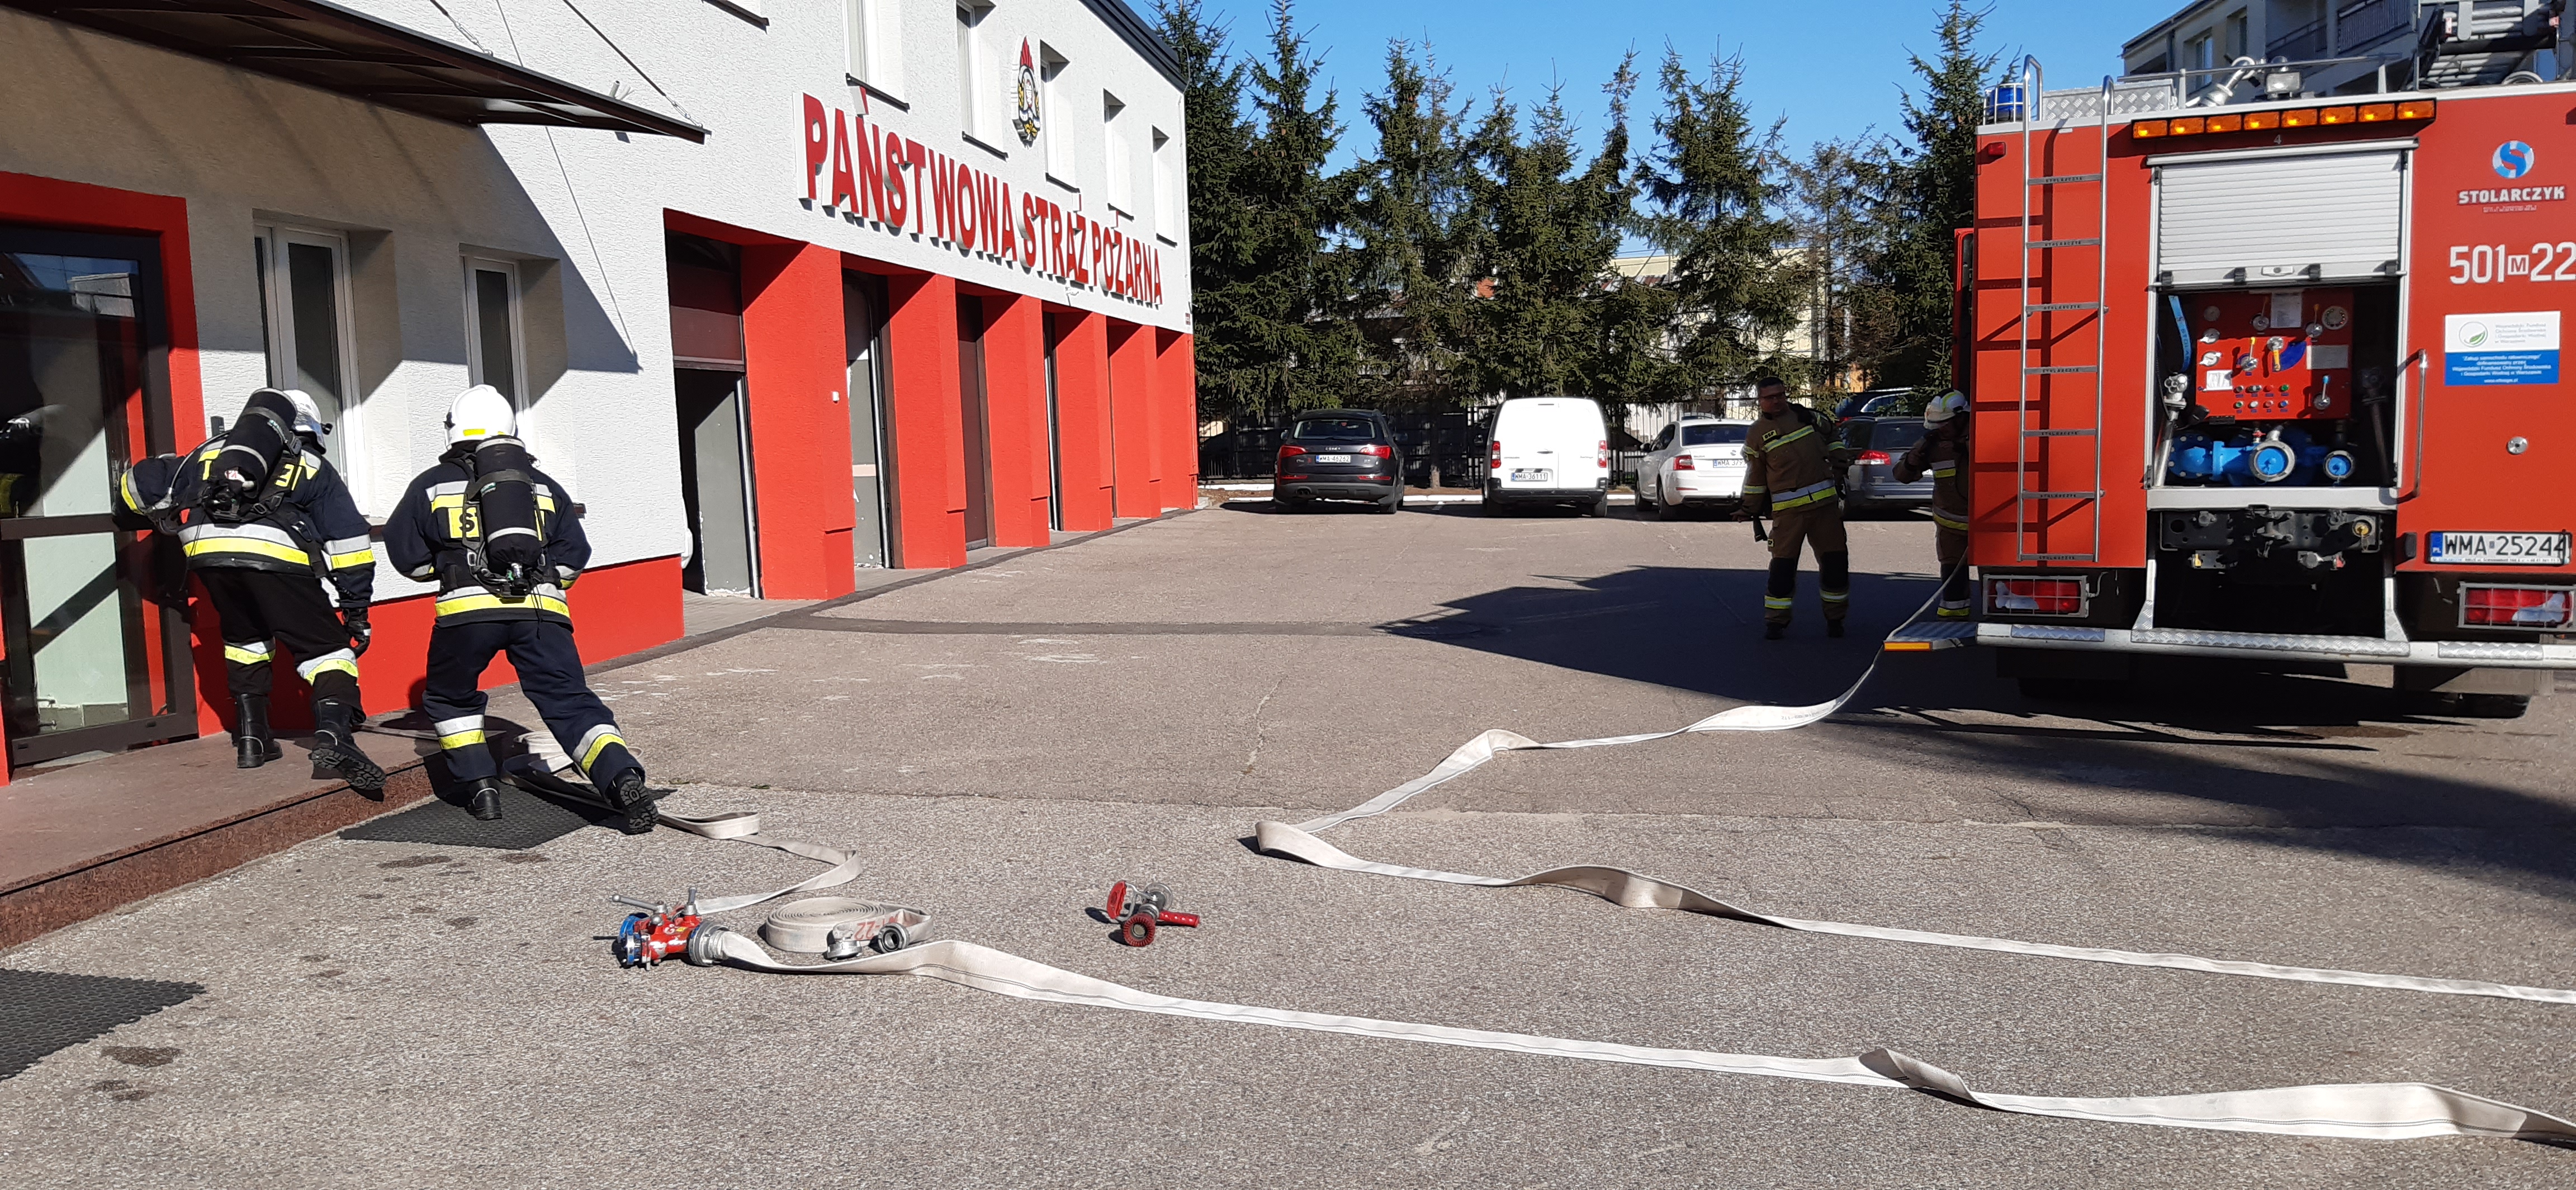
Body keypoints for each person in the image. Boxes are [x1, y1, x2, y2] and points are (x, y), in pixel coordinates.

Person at [385, 385, 656, 832]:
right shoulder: (543, 485)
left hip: (465, 616)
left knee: (451, 697)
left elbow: (407, 558)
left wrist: (451, 570)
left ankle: (481, 789)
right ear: (510, 428)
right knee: (568, 701)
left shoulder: (430, 485)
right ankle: (620, 776)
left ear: (453, 429)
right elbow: (574, 557)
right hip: (541, 614)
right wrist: (542, 583)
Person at [118, 388, 385, 788]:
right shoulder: (312, 465)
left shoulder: (210, 454)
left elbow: (136, 487)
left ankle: (253, 740)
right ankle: (334, 736)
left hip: (207, 556)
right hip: (276, 559)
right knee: (328, 650)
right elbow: (350, 543)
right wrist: (356, 608)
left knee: (246, 639)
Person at [1735, 377, 1853, 639]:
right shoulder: (1757, 433)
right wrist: (1749, 507)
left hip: (1825, 509)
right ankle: (1775, 622)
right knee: (1782, 569)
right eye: (1770, 397)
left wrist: (1839, 461)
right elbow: (1756, 476)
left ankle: (1836, 619)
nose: (1776, 401)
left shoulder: (1807, 417)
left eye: (1780, 395)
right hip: (1789, 515)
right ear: (1760, 401)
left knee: (1835, 565)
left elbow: (1832, 435)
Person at [1896, 391, 1973, 619]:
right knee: (1953, 577)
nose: (1941, 428)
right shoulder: (1933, 443)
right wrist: (1911, 462)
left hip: (1989, 527)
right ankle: (1953, 620)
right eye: (1938, 424)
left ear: (1961, 417)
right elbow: (1901, 476)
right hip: (1951, 526)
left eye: (1945, 423)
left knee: (1997, 576)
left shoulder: (1981, 435)